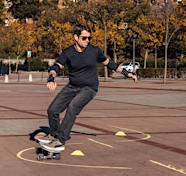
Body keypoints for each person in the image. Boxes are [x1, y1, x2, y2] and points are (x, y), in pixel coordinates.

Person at [39, 23, 137, 152]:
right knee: (52, 110)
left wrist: (126, 73)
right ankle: (54, 135)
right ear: (76, 37)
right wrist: (51, 78)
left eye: (89, 38)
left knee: (72, 108)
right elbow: (57, 66)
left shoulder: (94, 51)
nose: (87, 41)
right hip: (72, 86)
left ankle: (60, 140)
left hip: (89, 88)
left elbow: (109, 63)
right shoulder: (68, 52)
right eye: (84, 38)